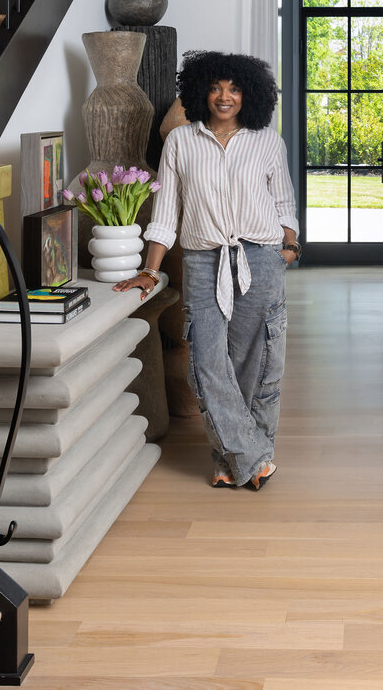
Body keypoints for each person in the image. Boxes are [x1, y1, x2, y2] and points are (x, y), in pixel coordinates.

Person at [114, 50, 300, 492]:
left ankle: (229, 461)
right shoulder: (180, 142)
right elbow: (164, 216)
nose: (224, 96)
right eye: (215, 87)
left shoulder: (267, 141)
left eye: (234, 88)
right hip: (202, 262)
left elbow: (284, 204)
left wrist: (288, 247)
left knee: (254, 363)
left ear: (248, 94)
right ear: (201, 92)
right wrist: (149, 270)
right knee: (207, 363)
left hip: (261, 257)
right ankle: (254, 458)